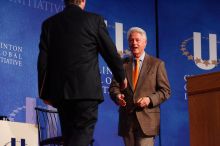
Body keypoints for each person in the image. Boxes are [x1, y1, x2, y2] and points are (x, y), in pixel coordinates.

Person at [37, 0, 127, 146]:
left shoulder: (49, 24)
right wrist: (121, 77)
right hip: (87, 92)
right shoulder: (95, 20)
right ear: (83, 1)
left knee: (70, 138)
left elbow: (42, 61)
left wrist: (44, 92)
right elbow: (110, 53)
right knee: (81, 137)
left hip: (61, 93)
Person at [109, 27, 171, 146]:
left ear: (145, 43)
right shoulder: (122, 64)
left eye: (137, 40)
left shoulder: (157, 64)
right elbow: (113, 87)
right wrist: (117, 96)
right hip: (126, 122)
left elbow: (165, 91)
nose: (134, 43)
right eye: (131, 40)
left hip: (147, 121)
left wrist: (149, 100)